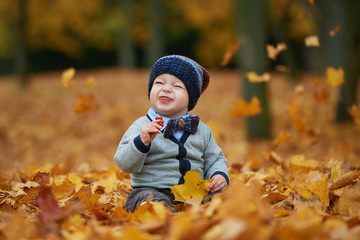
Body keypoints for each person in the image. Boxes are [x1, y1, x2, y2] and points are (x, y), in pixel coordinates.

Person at [114, 55, 229, 212]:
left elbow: (214, 158)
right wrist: (141, 142)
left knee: (222, 200)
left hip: (194, 194)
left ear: (191, 97)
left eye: (177, 86)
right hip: (153, 189)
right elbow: (124, 163)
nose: (166, 88)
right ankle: (156, 212)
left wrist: (219, 175)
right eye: (159, 83)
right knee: (145, 199)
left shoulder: (202, 130)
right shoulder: (141, 126)